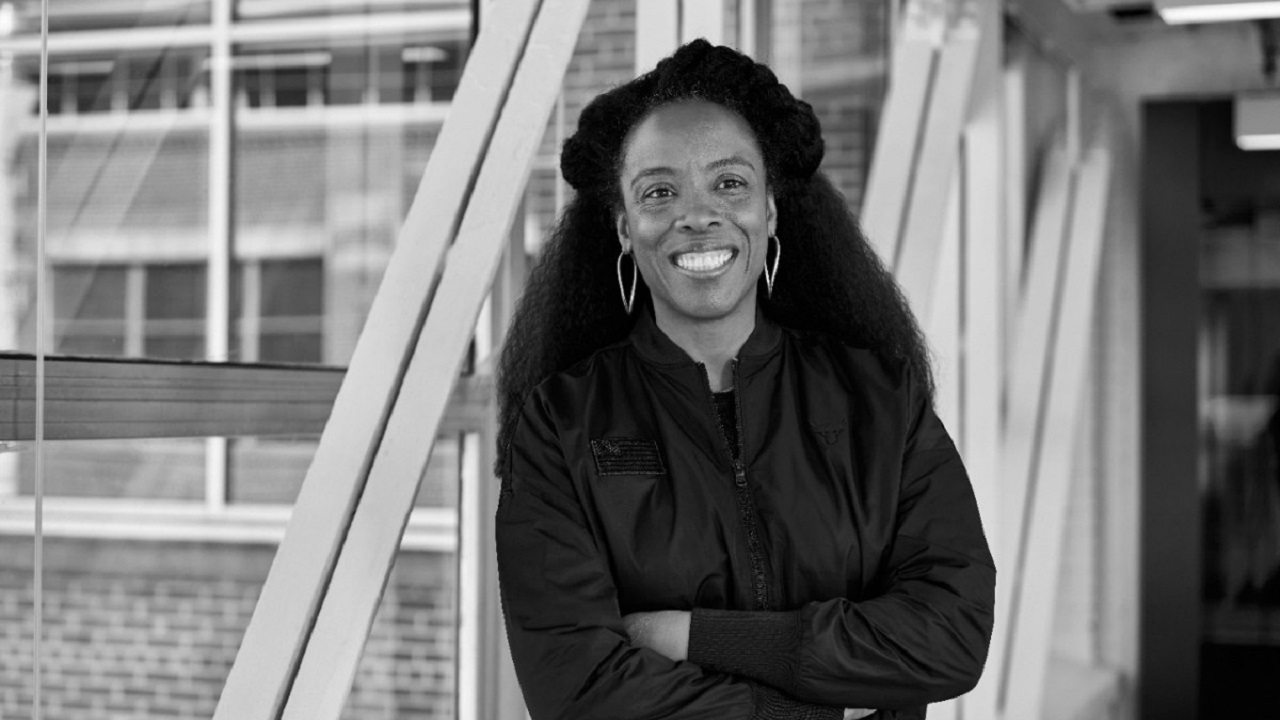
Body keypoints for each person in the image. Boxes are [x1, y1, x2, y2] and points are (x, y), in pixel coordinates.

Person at [494, 40, 994, 720]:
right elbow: (578, 691)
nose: (698, 215)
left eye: (729, 183)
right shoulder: (560, 423)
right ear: (623, 228)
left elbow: (952, 635)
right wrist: (818, 712)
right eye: (659, 192)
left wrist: (693, 637)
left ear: (771, 210)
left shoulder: (879, 397)